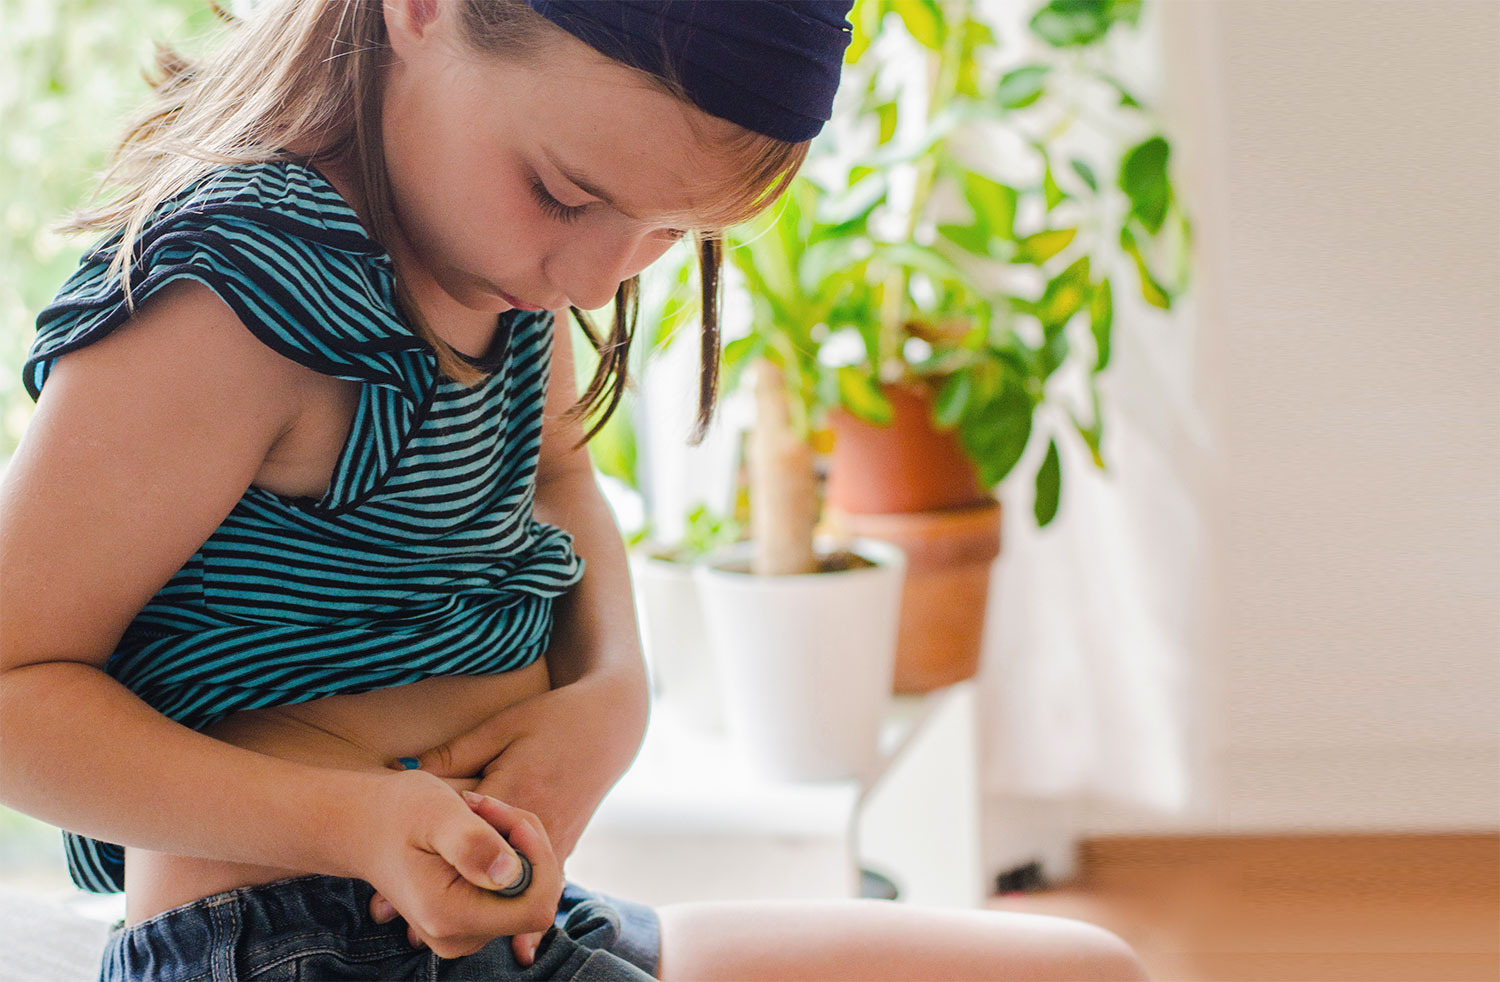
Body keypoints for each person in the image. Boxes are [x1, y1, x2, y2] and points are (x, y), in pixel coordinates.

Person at [0, 0, 1147, 978]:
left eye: (668, 232)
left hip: (509, 928)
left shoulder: (493, 263)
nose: (597, 275)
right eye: (564, 195)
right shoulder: (245, 285)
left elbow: (560, 476)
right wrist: (357, 825)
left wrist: (615, 694)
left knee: (1092, 967)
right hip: (292, 937)